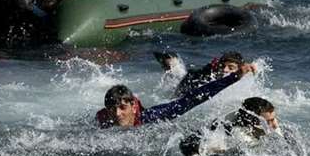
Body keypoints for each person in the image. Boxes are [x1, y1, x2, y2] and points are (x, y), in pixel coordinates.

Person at [96, 63, 257, 128]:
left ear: (132, 106)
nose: (117, 114)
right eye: (112, 109)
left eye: (122, 107)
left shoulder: (152, 117)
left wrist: (233, 77)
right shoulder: (103, 119)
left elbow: (193, 98)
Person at [179, 97, 280, 156]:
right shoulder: (241, 136)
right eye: (268, 121)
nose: (275, 125)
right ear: (252, 123)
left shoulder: (260, 123)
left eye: (274, 119)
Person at [173, 51, 246, 97]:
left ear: (239, 70)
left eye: (231, 68)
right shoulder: (208, 76)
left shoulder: (244, 86)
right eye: (223, 66)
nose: (225, 70)